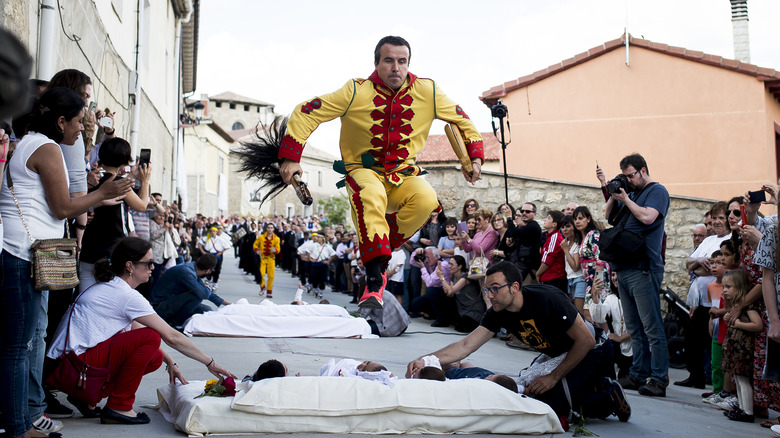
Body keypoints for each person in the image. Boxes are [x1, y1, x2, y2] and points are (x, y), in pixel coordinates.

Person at [278, 36, 484, 309]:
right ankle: (374, 280)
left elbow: (462, 120)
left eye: (402, 61)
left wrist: (476, 158)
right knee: (371, 193)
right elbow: (307, 112)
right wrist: (291, 158)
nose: (396, 67)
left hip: (402, 174)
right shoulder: (355, 90)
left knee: (426, 198)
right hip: (363, 170)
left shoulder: (429, 91)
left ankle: (383, 249)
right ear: (376, 63)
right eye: (389, 61)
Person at [1, 87, 133, 438]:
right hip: (23, 253)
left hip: (21, 250)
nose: (80, 129)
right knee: (19, 347)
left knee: (23, 343)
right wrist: (102, 194)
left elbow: (55, 203)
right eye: (77, 121)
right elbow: (62, 208)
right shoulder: (46, 148)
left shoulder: (29, 143)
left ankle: (23, 419)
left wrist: (98, 198)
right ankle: (17, 426)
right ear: (60, 121)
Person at [406, 262, 630, 424]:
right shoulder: (498, 312)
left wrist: (553, 377)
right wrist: (426, 360)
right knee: (526, 393)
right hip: (556, 354)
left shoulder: (548, 299)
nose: (490, 295)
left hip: (594, 350)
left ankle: (608, 397)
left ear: (514, 287)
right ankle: (585, 386)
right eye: (487, 289)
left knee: (551, 409)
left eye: (495, 288)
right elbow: (466, 345)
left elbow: (587, 339)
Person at [46, 238, 234, 426]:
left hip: (68, 367)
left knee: (154, 357)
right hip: (71, 369)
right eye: (149, 263)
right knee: (151, 337)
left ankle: (87, 398)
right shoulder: (126, 295)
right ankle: (119, 407)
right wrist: (210, 363)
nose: (153, 267)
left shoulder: (112, 287)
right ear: (130, 266)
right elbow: (172, 336)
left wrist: (170, 362)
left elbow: (138, 331)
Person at [601, 153, 670, 397]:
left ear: (643, 170)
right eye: (625, 176)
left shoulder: (657, 191)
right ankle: (639, 373)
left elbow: (648, 217)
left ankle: (659, 378)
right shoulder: (628, 192)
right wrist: (613, 193)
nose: (629, 180)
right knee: (634, 326)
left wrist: (627, 199)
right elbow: (608, 217)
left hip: (644, 267)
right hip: (624, 268)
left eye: (631, 175)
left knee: (652, 326)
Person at [720, 269, 763, 423]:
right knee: (737, 378)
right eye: (724, 287)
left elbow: (757, 325)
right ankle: (742, 407)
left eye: (729, 287)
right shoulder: (734, 306)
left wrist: (738, 323)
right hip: (735, 347)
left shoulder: (747, 307)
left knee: (743, 379)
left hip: (743, 349)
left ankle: (748, 411)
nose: (725, 290)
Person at [150, 253, 231, 327]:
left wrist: (227, 304)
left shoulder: (193, 268)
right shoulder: (186, 272)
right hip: (160, 306)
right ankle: (175, 323)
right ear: (208, 271)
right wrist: (206, 287)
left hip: (172, 302)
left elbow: (207, 293)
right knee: (197, 296)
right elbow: (203, 294)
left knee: (207, 310)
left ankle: (178, 317)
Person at [438, 255, 486, 333]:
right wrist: (446, 290)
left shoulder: (466, 277)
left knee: (461, 327)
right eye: (449, 263)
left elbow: (452, 290)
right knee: (442, 294)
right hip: (462, 308)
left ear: (460, 266)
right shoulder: (453, 277)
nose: (449, 266)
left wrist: (441, 277)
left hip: (473, 309)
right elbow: (450, 294)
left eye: (452, 264)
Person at [505, 203, 542, 282]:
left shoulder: (533, 226)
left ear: (534, 214)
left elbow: (514, 232)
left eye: (528, 212)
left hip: (530, 268)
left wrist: (509, 217)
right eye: (522, 211)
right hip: (522, 266)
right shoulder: (526, 226)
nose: (524, 213)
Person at [537, 210, 566, 293]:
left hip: (554, 279)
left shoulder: (555, 237)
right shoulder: (550, 237)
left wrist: (538, 274)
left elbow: (548, 260)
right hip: (549, 278)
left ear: (554, 224)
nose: (545, 220)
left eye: (548, 218)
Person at [253, 223, 281, 298]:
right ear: (266, 228)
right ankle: (262, 287)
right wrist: (257, 250)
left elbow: (278, 249)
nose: (270, 229)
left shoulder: (276, 238)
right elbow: (255, 245)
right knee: (261, 274)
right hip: (262, 258)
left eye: (271, 228)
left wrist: (275, 251)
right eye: (268, 227)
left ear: (273, 229)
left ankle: (269, 292)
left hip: (271, 259)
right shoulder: (261, 237)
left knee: (271, 276)